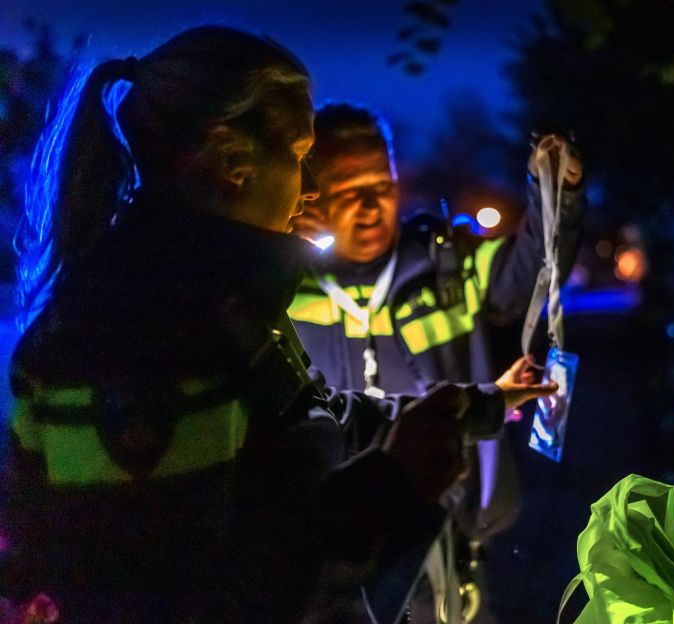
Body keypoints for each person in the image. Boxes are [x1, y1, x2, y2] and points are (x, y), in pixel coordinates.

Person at [0, 26, 554, 624]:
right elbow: (191, 592)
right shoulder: (139, 338)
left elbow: (304, 425)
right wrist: (392, 486)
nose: (311, 187)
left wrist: (470, 408)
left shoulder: (218, 300)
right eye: (297, 156)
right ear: (232, 159)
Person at [287, 103, 585, 619]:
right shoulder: (286, 287)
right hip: (345, 542)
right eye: (346, 189)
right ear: (311, 194)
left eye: (381, 184)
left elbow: (532, 275)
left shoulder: (447, 260)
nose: (370, 205)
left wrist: (557, 193)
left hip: (456, 533)